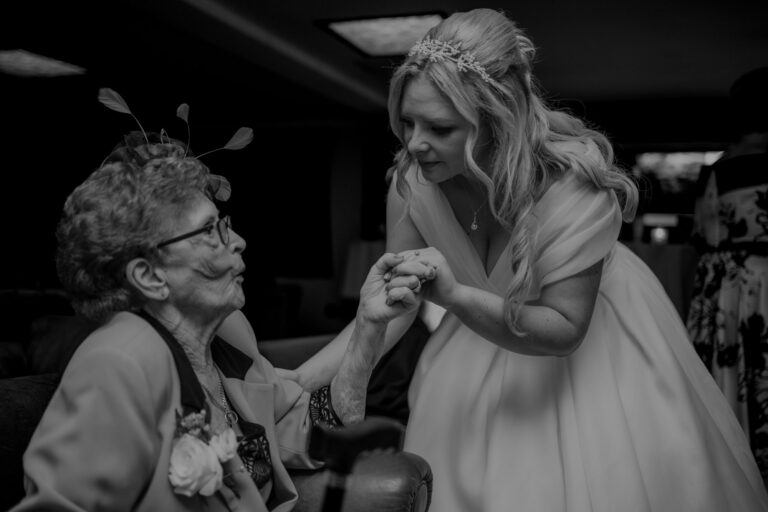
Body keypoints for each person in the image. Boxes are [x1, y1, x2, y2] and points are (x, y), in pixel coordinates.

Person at [287, 9, 768, 511]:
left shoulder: (573, 183)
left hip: (587, 358)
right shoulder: (411, 184)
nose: (414, 143)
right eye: (407, 122)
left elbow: (564, 329)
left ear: (497, 117)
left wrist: (453, 295)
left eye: (440, 128)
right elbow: (392, 306)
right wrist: (301, 380)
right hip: (470, 355)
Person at [10, 127, 424, 511]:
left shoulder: (229, 334)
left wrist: (370, 325)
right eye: (209, 231)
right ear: (149, 276)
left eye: (223, 224)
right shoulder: (117, 363)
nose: (238, 241)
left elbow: (311, 432)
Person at [687, 66, 768, 485]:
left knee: (730, 377)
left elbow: (702, 238)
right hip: (760, 285)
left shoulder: (714, 172)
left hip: (723, 292)